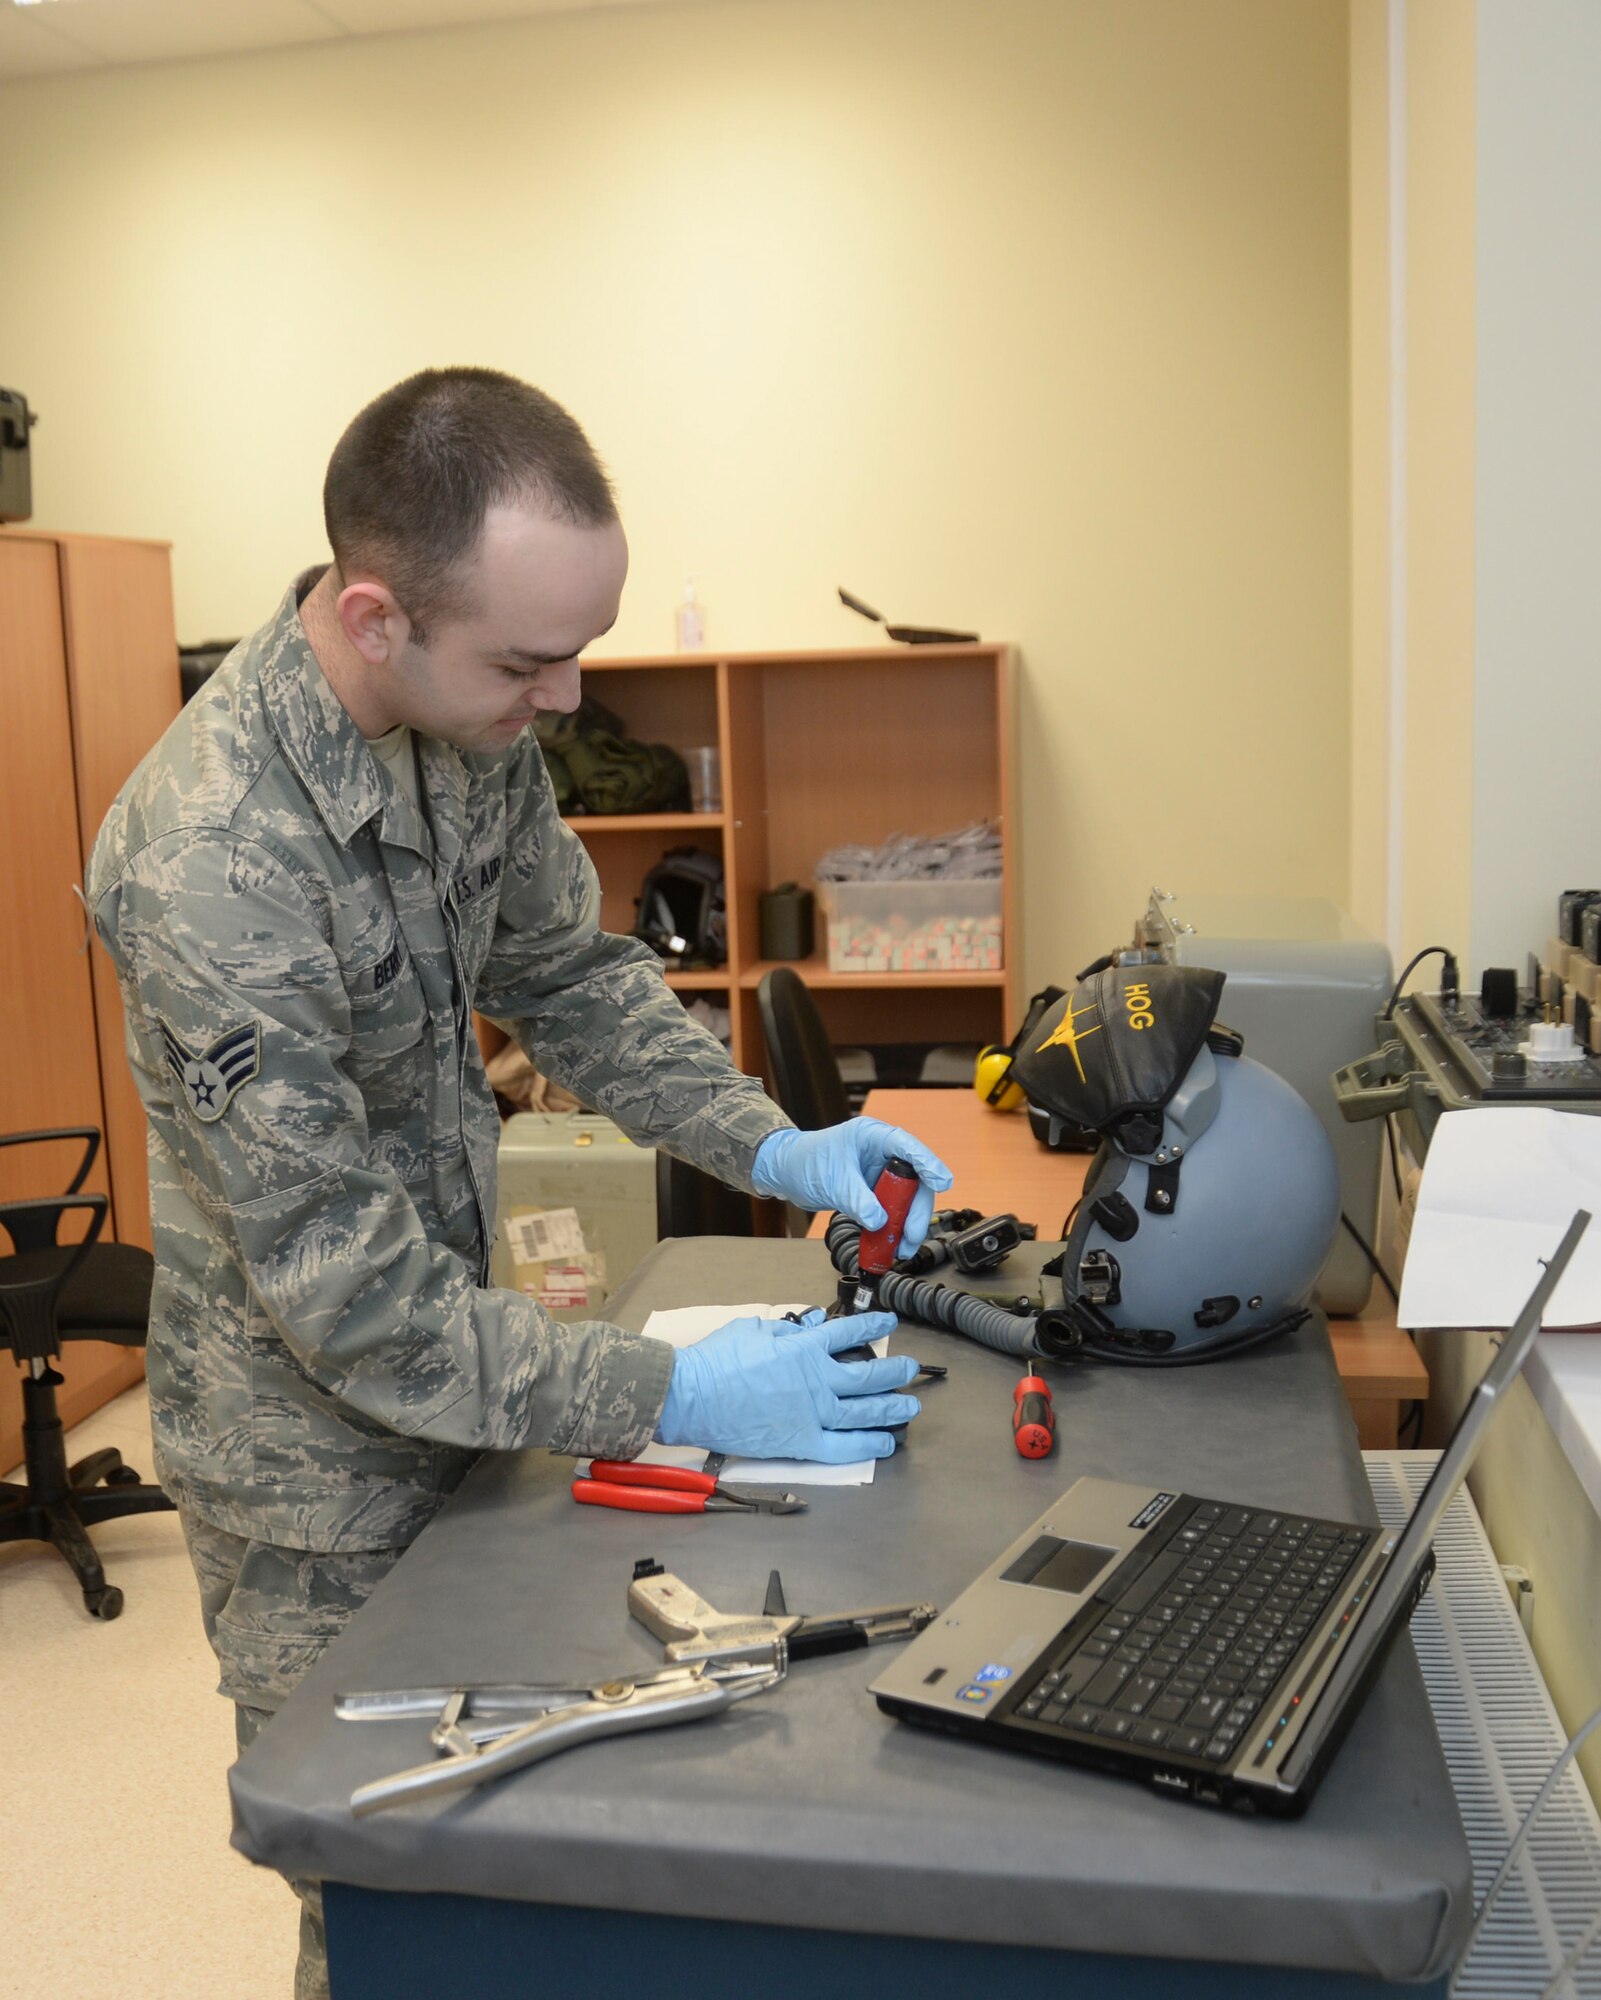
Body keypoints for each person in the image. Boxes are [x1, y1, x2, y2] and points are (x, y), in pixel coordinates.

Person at [87, 366, 951, 1999]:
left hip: (477, 1391)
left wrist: (769, 1141)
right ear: (373, 614)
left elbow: (575, 978)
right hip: (311, 1473)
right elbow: (348, 1301)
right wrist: (674, 1385)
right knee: (387, 1881)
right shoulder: (205, 864)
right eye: (529, 661)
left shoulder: (462, 723)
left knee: (533, 1853)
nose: (563, 701)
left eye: (578, 653)